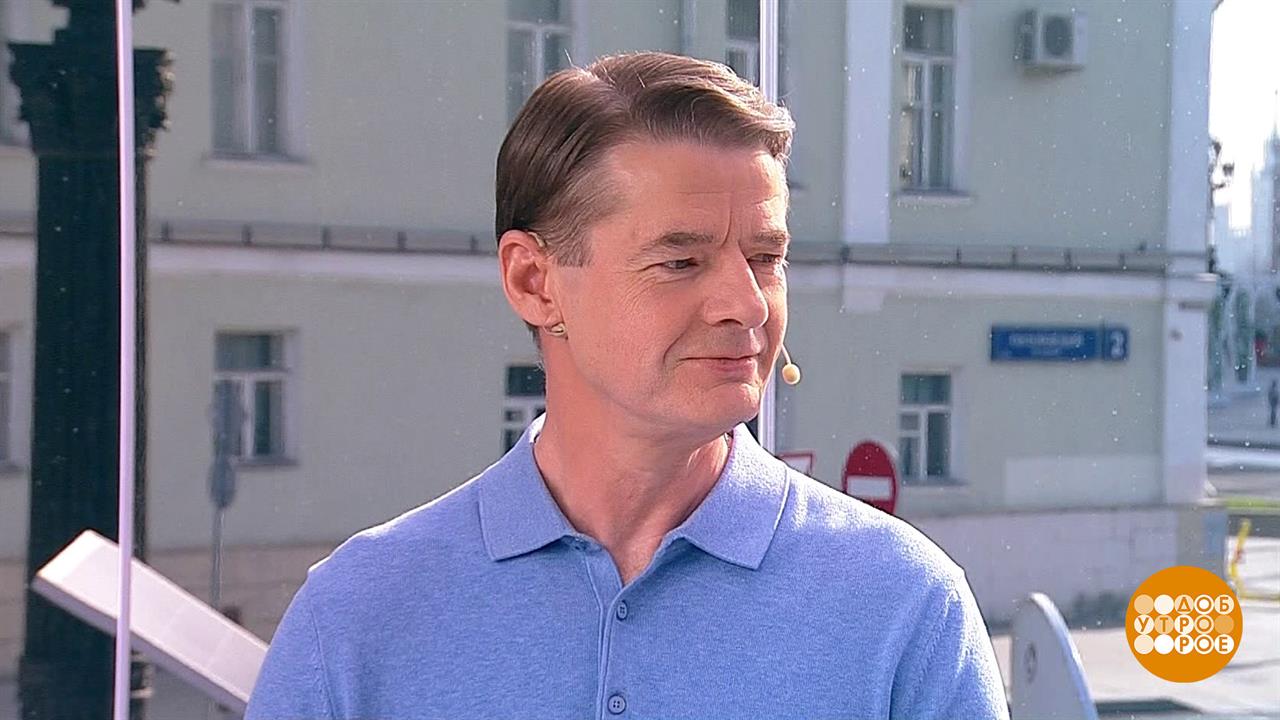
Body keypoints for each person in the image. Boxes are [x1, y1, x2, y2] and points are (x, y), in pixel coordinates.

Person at [245, 52, 1009, 719]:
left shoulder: (905, 607)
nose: (747, 304)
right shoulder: (357, 616)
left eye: (765, 258)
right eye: (681, 261)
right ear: (534, 280)